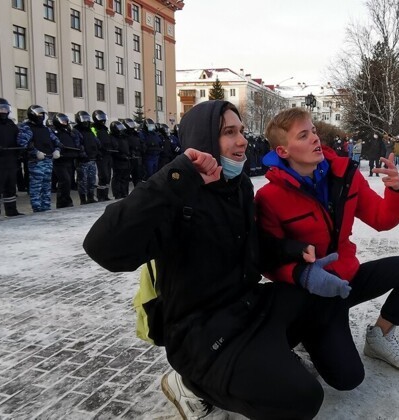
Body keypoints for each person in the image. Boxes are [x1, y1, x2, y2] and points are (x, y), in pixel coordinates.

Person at [83, 100, 330, 420]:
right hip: (201, 335)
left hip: (244, 309)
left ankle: (268, 357)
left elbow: (250, 246)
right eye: (229, 132)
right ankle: (191, 384)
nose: (242, 140)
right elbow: (103, 247)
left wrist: (294, 251)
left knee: (310, 294)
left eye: (241, 131)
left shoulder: (239, 186)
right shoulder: (176, 196)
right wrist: (174, 176)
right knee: (304, 399)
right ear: (202, 140)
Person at [257, 107, 399, 381]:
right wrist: (304, 276)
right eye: (303, 135)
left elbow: (381, 218)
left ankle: (380, 336)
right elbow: (269, 259)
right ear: (283, 151)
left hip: (348, 278)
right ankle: (304, 336)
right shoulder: (269, 197)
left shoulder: (344, 175)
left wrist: (397, 189)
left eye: (313, 130)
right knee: (347, 378)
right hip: (312, 294)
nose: (315, 138)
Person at [17, 105, 62, 212]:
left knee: (47, 186)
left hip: (48, 160)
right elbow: (22, 143)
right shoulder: (26, 128)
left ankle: (46, 207)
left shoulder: (46, 129)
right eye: (39, 114)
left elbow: (58, 142)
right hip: (36, 162)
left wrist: (57, 150)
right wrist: (35, 152)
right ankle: (37, 208)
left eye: (42, 114)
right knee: (36, 186)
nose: (41, 117)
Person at [51, 114, 81, 208]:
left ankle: (66, 200)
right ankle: (62, 202)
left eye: (65, 121)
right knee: (64, 181)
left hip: (69, 159)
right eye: (62, 121)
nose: (65, 123)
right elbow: (55, 144)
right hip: (60, 160)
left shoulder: (68, 132)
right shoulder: (54, 132)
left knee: (68, 182)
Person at [74, 111, 99, 205]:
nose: (86, 121)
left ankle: (91, 197)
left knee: (91, 180)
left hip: (92, 159)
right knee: (82, 181)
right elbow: (78, 145)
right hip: (83, 161)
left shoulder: (89, 130)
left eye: (87, 119)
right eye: (84, 119)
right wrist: (83, 155)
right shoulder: (76, 131)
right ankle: (83, 199)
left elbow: (96, 142)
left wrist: (98, 152)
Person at [92, 110, 113, 201]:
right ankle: (100, 195)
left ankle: (105, 195)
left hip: (108, 154)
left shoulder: (105, 129)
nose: (103, 121)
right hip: (101, 155)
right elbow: (94, 141)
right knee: (103, 175)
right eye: (101, 119)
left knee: (108, 176)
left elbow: (108, 139)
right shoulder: (93, 128)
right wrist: (99, 152)